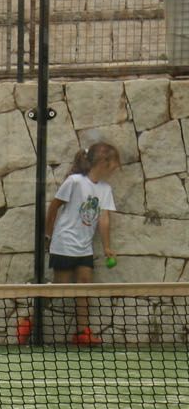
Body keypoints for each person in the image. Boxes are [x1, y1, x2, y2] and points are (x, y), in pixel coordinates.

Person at [44, 141, 120, 346]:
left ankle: (82, 333)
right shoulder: (75, 181)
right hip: (64, 243)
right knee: (60, 288)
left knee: (85, 286)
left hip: (84, 246)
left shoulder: (105, 189)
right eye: (114, 162)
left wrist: (106, 247)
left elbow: (104, 220)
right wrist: (48, 235)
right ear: (103, 162)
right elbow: (54, 206)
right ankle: (29, 320)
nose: (116, 167)